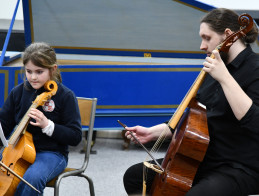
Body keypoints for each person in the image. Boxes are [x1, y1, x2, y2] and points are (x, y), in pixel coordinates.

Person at [123, 8, 259, 196]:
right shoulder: (214, 68)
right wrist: (151, 133)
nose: (202, 45)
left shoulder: (255, 69)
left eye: (207, 37)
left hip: (240, 166)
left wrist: (225, 78)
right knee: (135, 176)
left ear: (228, 35)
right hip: (203, 159)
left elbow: (254, 122)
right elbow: (195, 122)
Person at [0, 42, 82, 196]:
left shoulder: (65, 96)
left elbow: (75, 136)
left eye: (39, 72)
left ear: (53, 69)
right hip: (15, 152)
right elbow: (3, 124)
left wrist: (48, 125)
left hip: (52, 153)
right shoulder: (18, 92)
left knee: (32, 178)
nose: (33, 77)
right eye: (29, 71)